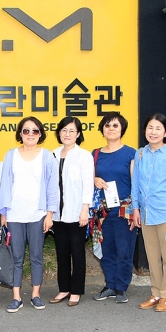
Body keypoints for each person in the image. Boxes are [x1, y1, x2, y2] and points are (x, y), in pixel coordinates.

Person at [0, 116, 59, 312]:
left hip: (37, 214)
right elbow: (5, 184)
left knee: (36, 256)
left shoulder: (47, 156)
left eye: (35, 131)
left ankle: (35, 294)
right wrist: (4, 213)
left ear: (40, 134)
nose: (30, 134)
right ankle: (16, 297)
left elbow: (52, 187)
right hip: (14, 214)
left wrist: (49, 214)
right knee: (16, 257)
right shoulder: (11, 155)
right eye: (26, 130)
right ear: (20, 134)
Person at [131, 113, 166, 312]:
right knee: (152, 257)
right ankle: (155, 293)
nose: (153, 132)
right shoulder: (140, 154)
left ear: (165, 132)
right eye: (150, 127)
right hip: (146, 214)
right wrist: (135, 209)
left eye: (158, 128)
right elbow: (135, 184)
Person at [91, 112, 138, 304]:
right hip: (102, 211)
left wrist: (136, 210)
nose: (111, 129)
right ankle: (110, 284)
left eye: (115, 125)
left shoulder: (131, 153)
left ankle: (121, 287)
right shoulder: (95, 154)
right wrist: (94, 179)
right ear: (102, 129)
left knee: (125, 250)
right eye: (107, 125)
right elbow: (86, 178)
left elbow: (136, 184)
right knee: (106, 249)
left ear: (122, 129)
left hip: (124, 209)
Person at [50, 116, 93, 307]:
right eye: (64, 130)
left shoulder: (84, 156)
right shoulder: (52, 154)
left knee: (77, 252)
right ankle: (64, 288)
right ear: (59, 132)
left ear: (78, 134)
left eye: (71, 131)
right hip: (57, 214)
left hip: (76, 212)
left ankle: (76, 291)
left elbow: (87, 185)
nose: (67, 134)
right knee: (61, 252)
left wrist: (85, 209)